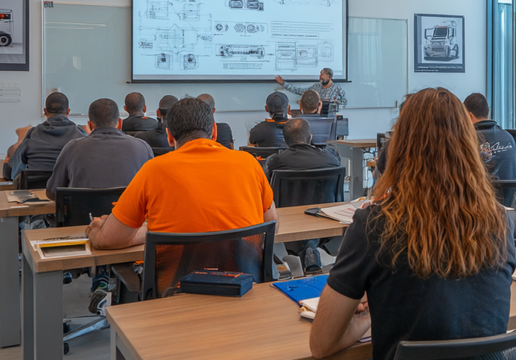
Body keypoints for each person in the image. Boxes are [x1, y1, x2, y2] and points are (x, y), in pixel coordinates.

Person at [268, 88, 515, 360]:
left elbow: (322, 344)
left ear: (399, 146)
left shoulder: (376, 223)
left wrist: (370, 312)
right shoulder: (499, 221)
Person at [85, 97, 277, 250]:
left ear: (169, 137)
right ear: (214, 131)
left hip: (176, 290)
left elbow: (108, 240)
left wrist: (95, 230)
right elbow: (271, 226)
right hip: (243, 285)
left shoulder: (153, 170)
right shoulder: (250, 164)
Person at [265, 118, 342, 273]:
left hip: (286, 225)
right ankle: (310, 251)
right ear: (310, 137)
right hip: (325, 221)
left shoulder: (275, 161)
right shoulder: (331, 159)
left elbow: (265, 194)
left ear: (285, 141)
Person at [46, 98, 153, 200]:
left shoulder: (72, 148)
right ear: (120, 123)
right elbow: (152, 191)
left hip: (83, 218)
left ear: (90, 125)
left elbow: (53, 192)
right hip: (129, 218)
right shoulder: (142, 148)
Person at [10, 92, 85, 179]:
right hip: (66, 190)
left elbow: (15, 172)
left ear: (45, 111)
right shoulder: (80, 135)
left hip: (34, 189)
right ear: (68, 111)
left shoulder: (32, 133)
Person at [464, 92, 516, 181]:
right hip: (511, 194)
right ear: (488, 110)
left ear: (469, 115)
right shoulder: (508, 137)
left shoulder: (468, 139)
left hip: (483, 194)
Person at [276, 67, 347, 111]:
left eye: (322, 74)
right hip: (317, 116)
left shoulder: (338, 89)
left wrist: (334, 106)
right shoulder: (316, 87)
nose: (320, 76)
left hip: (331, 117)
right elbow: (299, 91)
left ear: (328, 76)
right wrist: (284, 84)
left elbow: (344, 102)